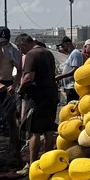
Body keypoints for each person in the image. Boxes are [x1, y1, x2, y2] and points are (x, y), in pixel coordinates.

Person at [15, 34, 59, 165]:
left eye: (19, 48)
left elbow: (29, 77)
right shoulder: (48, 53)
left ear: (23, 44)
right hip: (51, 96)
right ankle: (48, 161)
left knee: (34, 132)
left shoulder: (31, 55)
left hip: (37, 98)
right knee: (49, 130)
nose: (20, 51)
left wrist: (20, 89)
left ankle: (33, 163)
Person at [0, 26, 21, 173]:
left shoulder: (13, 51)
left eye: (4, 41)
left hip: (7, 85)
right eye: (0, 41)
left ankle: (14, 149)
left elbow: (20, 70)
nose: (2, 44)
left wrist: (14, 85)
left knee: (11, 118)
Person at [57, 38, 90, 105]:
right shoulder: (72, 54)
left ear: (68, 44)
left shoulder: (75, 53)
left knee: (72, 106)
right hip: (69, 87)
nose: (63, 48)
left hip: (73, 87)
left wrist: (61, 76)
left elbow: (75, 70)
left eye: (64, 46)